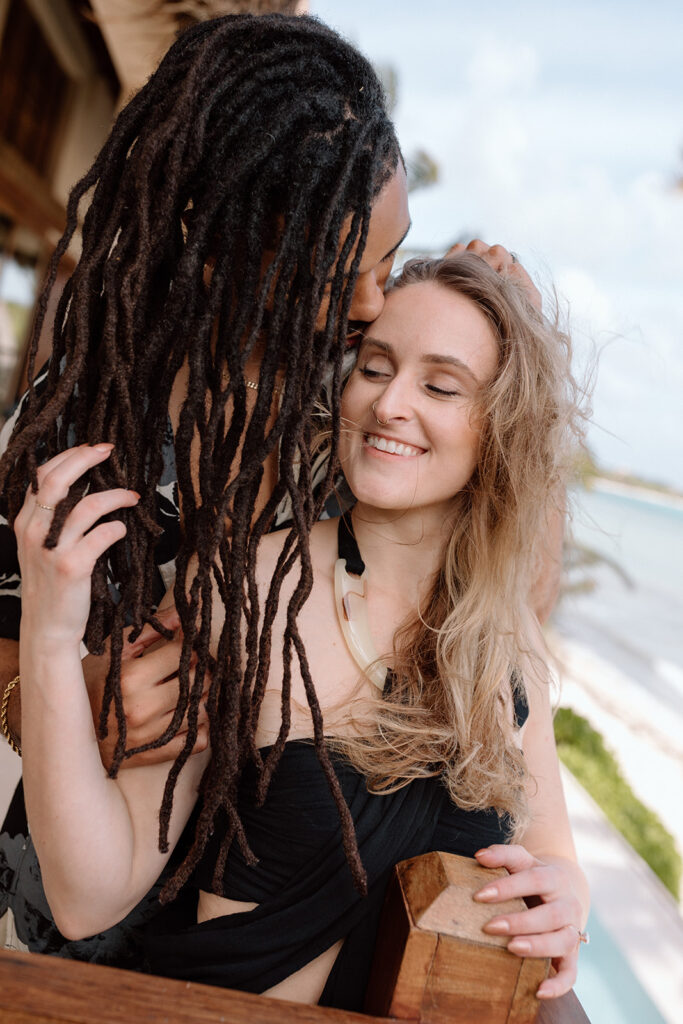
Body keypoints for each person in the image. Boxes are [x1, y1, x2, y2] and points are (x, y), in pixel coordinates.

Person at [0, 11, 548, 968]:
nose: (373, 297)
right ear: (234, 243)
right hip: (100, 899)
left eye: (393, 252)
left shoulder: (351, 387)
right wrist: (78, 696)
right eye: (344, 268)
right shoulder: (80, 429)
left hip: (273, 879)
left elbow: (487, 589)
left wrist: (500, 343)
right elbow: (10, 659)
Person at [12, 251, 589, 1010]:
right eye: (375, 368)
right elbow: (93, 891)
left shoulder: (501, 632)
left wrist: (566, 898)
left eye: (439, 385)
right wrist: (50, 641)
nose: (388, 405)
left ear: (500, 426)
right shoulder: (245, 587)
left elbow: (547, 845)